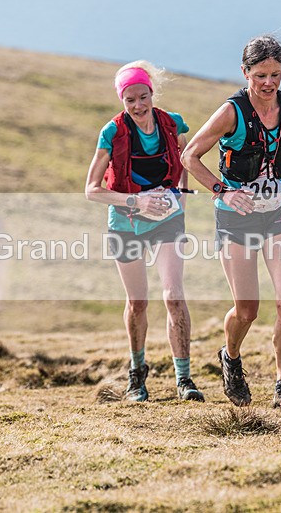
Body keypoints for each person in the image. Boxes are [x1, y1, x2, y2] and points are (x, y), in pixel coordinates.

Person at [181, 35, 281, 408]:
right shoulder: (230, 113)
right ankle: (231, 357)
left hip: (280, 211)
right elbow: (190, 157)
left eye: (275, 74)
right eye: (260, 76)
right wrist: (222, 191)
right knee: (247, 309)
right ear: (245, 73)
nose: (269, 83)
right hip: (236, 218)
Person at [85, 60, 204, 403]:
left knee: (174, 295)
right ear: (122, 101)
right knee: (138, 302)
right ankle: (136, 377)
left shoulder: (172, 123)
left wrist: (178, 197)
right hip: (125, 223)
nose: (138, 106)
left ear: (152, 94)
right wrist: (136, 203)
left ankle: (185, 380)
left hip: (167, 221)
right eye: (130, 100)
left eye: (143, 97)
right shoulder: (112, 132)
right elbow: (91, 190)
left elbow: (183, 159)